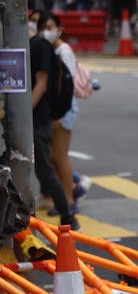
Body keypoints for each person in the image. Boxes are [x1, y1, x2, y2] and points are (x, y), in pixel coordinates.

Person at [30, 11, 79, 231]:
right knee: (46, 167)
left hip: (41, 117)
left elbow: (42, 84)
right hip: (39, 117)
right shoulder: (33, 45)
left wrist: (24, 111)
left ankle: (68, 215)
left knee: (50, 167)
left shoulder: (42, 47)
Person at [43, 13, 92, 217]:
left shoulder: (63, 51)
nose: (46, 30)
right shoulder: (55, 50)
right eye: (43, 27)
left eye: (50, 26)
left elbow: (66, 85)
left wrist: (58, 114)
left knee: (59, 157)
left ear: (60, 29)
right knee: (55, 157)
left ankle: (70, 200)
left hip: (64, 109)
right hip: (61, 109)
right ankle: (70, 194)